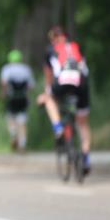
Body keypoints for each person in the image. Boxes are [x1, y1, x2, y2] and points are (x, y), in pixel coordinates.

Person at [38, 26, 92, 174]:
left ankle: (58, 128)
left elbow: (48, 75)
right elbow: (84, 67)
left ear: (53, 39)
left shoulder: (50, 49)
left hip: (62, 81)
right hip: (81, 82)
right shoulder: (76, 46)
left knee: (49, 100)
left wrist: (46, 92)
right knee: (83, 123)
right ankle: (86, 156)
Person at [0, 50, 35, 152]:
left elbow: (4, 83)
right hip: (23, 99)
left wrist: (3, 93)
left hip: (12, 98)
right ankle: (22, 144)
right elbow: (31, 86)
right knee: (22, 122)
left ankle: (13, 133)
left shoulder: (7, 69)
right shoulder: (26, 69)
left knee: (11, 118)